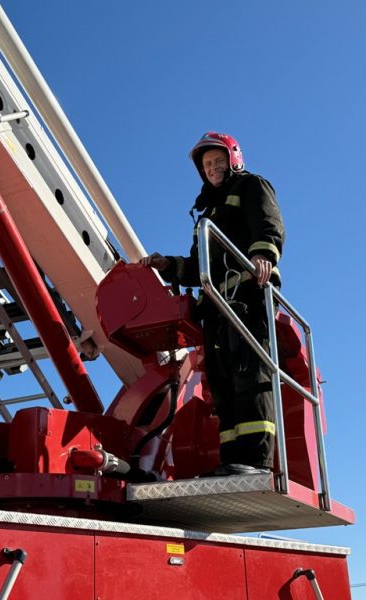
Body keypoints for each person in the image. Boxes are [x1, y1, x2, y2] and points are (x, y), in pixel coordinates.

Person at [140, 131, 285, 476]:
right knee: (222, 386)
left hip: (247, 296)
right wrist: (168, 265)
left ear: (234, 158)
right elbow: (196, 265)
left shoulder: (252, 187)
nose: (213, 168)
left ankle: (256, 461)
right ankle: (234, 459)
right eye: (207, 165)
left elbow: (268, 223)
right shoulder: (206, 214)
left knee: (250, 376)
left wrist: (263, 255)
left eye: (219, 161)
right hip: (216, 307)